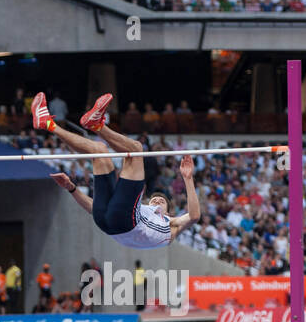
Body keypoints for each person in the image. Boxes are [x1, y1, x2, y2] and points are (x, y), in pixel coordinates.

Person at [33, 92, 200, 249]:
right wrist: (72, 188)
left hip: (122, 222)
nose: (156, 202)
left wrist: (188, 178)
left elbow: (194, 216)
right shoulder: (140, 210)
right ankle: (47, 123)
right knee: (99, 150)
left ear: (168, 212)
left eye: (160, 202)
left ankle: (97, 125)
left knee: (136, 150)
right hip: (108, 222)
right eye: (155, 200)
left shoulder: (171, 224)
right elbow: (94, 207)